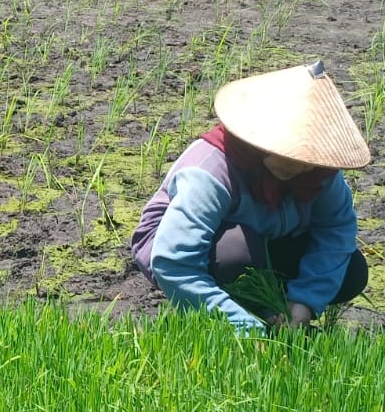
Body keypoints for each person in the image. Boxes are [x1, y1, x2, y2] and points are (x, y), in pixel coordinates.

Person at [131, 60, 370, 332]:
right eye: (288, 153)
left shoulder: (318, 171)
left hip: (266, 240)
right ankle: (228, 311)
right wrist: (247, 329)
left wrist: (304, 301)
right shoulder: (210, 170)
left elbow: (336, 231)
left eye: (307, 159)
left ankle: (279, 312)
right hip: (179, 246)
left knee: (352, 270)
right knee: (236, 256)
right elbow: (174, 262)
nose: (299, 166)